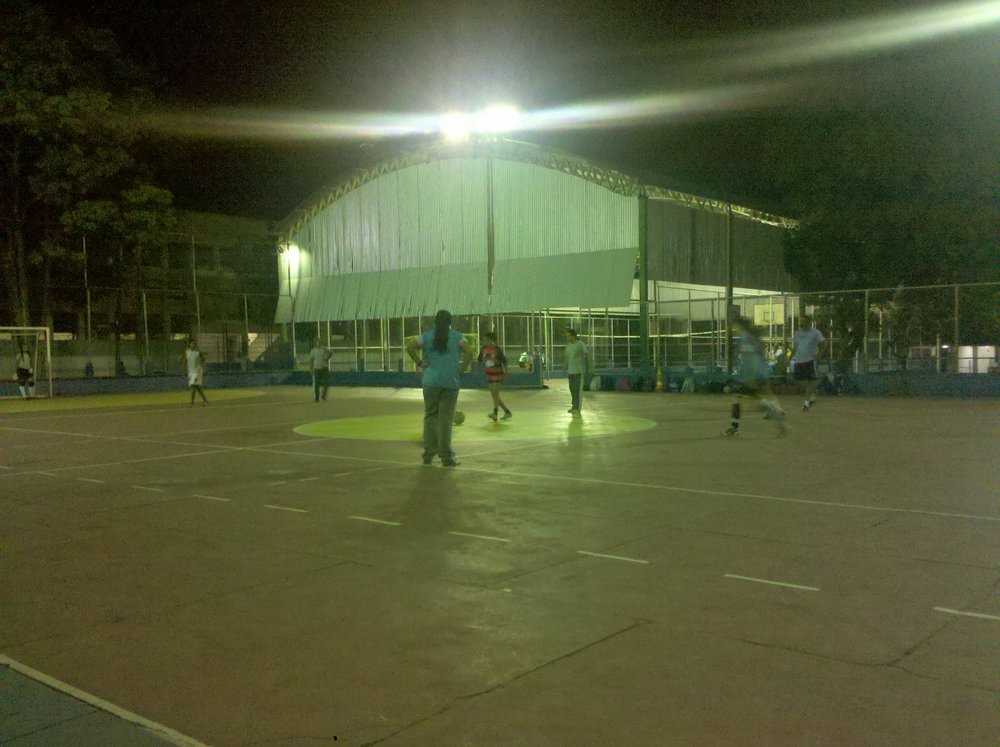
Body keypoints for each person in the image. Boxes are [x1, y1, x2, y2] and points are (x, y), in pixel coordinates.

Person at [405, 310, 472, 467]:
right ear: (450, 322)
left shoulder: (427, 336)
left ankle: (428, 453)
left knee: (430, 417)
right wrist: (461, 369)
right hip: (450, 382)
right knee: (446, 421)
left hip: (430, 381)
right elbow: (469, 352)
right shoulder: (457, 336)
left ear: (435, 321)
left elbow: (410, 347)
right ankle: (446, 456)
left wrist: (421, 364)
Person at [724, 317, 788, 436]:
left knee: (757, 403)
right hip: (761, 373)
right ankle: (779, 417)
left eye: (735, 326)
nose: (733, 328)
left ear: (740, 326)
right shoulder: (752, 338)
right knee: (742, 398)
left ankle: (780, 420)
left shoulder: (745, 338)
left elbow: (750, 358)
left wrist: (750, 376)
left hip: (754, 374)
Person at [791, 315, 826, 411]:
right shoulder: (797, 333)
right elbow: (795, 347)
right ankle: (811, 395)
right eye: (800, 322)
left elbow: (823, 344)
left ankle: (806, 404)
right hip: (799, 360)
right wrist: (789, 358)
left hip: (810, 360)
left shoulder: (815, 333)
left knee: (811, 380)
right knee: (798, 381)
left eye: (803, 321)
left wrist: (819, 354)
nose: (801, 323)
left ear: (808, 322)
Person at [478, 331, 511, 421]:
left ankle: (495, 413)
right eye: (484, 340)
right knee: (494, 396)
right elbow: (480, 359)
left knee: (495, 394)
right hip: (489, 375)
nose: (484, 342)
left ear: (492, 340)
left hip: (498, 375)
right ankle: (507, 411)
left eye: (486, 340)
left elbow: (505, 362)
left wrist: (505, 373)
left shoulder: (497, 350)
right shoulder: (483, 349)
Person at [564, 329, 588, 414]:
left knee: (577, 390)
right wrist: (565, 367)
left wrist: (583, 363)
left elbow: (586, 353)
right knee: (572, 389)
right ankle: (574, 406)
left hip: (578, 371)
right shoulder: (568, 346)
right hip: (571, 371)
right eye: (567, 336)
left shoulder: (580, 344)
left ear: (573, 336)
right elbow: (567, 358)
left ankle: (577, 408)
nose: (568, 338)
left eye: (569, 336)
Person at [185, 338, 208, 406]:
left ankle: (192, 403)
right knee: (198, 387)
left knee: (193, 386)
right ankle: (205, 400)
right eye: (192, 343)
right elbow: (185, 361)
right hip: (191, 371)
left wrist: (200, 363)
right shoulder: (187, 352)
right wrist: (185, 370)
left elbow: (203, 359)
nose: (193, 345)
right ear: (189, 344)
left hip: (197, 371)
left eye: (194, 344)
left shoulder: (198, 352)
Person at [308, 337, 332, 402]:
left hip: (324, 368)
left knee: (326, 383)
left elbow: (330, 353)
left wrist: (327, 358)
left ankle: (323, 395)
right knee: (317, 384)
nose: (319, 343)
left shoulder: (323, 349)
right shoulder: (313, 351)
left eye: (320, 342)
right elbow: (311, 360)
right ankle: (317, 397)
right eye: (317, 342)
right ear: (316, 343)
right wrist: (311, 369)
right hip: (316, 369)